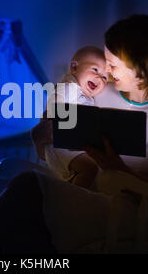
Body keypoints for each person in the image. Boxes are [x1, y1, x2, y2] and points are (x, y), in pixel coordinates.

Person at [0, 14, 148, 254]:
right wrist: (44, 132)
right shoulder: (97, 92)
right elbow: (57, 134)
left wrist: (120, 169)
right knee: (23, 228)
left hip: (122, 212)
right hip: (80, 194)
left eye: (113, 64)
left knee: (27, 191)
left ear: (139, 66)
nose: (107, 72)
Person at [44, 46, 109, 189]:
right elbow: (54, 107)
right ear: (74, 67)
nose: (100, 78)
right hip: (59, 144)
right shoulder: (69, 87)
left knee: (93, 170)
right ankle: (75, 200)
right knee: (89, 168)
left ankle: (76, 193)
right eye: (95, 70)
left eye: (105, 77)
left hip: (71, 146)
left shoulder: (85, 94)